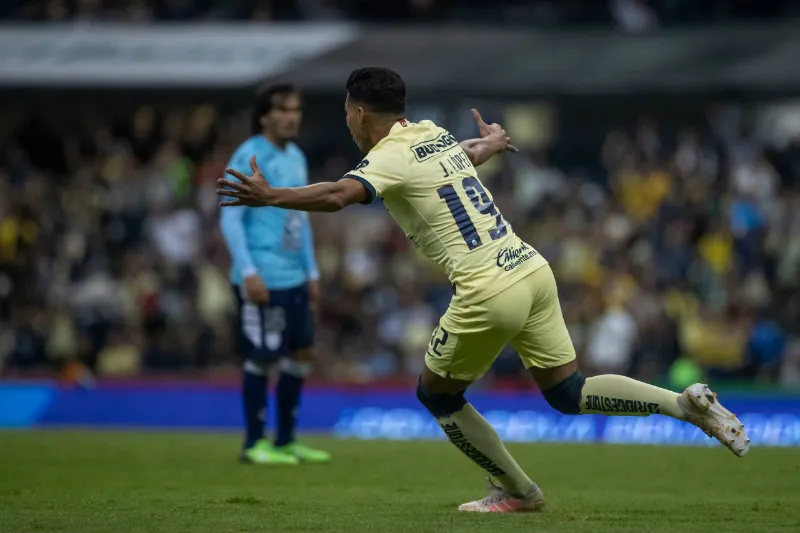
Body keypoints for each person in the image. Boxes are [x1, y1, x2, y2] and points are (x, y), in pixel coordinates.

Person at [217, 68, 749, 510]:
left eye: (347, 115)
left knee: (436, 393)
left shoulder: (385, 156)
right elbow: (459, 156)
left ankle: (516, 490)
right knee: (568, 391)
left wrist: (271, 196)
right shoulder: (430, 133)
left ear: (358, 113)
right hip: (530, 268)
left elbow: (338, 194)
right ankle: (683, 405)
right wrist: (492, 143)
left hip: (488, 288)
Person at [219, 83, 331, 465]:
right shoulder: (249, 154)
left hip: (294, 276)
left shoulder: (296, 155)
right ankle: (254, 444)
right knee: (262, 357)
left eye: (296, 109)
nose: (291, 117)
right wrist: (248, 271)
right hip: (262, 276)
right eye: (283, 109)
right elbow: (230, 217)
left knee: (301, 353)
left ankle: (285, 440)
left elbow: (301, 216)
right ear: (264, 115)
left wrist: (312, 271)